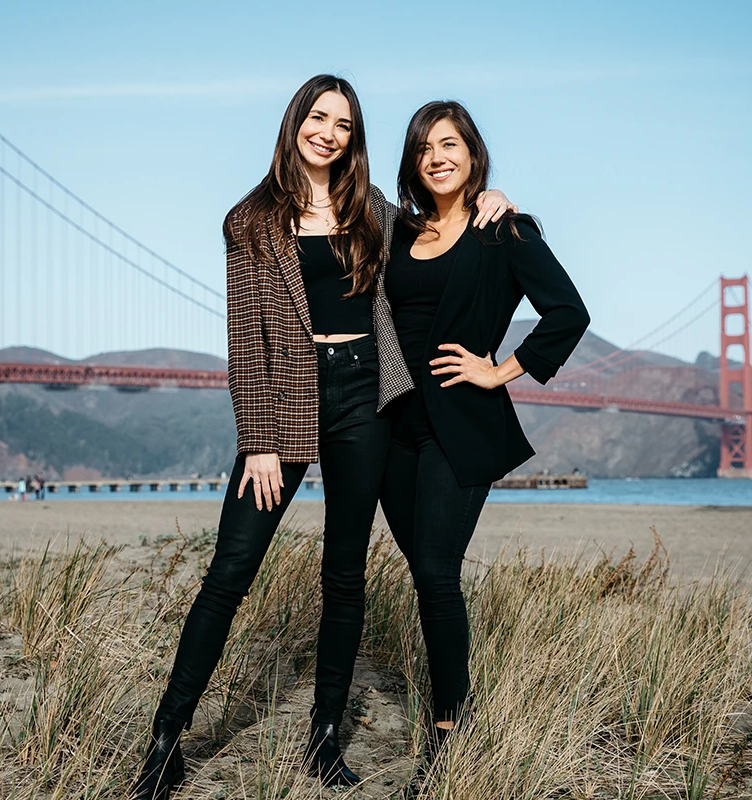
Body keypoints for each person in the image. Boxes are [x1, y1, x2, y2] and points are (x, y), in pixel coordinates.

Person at [131, 76, 513, 800]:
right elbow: (247, 342)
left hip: (366, 397)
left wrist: (496, 200)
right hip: (283, 402)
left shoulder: (374, 211)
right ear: (296, 123)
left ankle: (325, 737)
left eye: (343, 123)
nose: (329, 133)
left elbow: (446, 222)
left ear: (353, 137)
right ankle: (165, 744)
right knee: (229, 573)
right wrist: (262, 440)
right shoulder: (249, 221)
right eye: (318, 118)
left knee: (345, 577)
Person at [380, 101, 590, 756]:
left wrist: (501, 372)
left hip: (460, 425)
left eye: (450, 144)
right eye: (424, 147)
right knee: (423, 570)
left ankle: (450, 728)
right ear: (412, 162)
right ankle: (450, 703)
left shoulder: (506, 230)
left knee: (438, 569)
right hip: (390, 425)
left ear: (472, 154)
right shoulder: (393, 233)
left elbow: (567, 312)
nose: (437, 156)